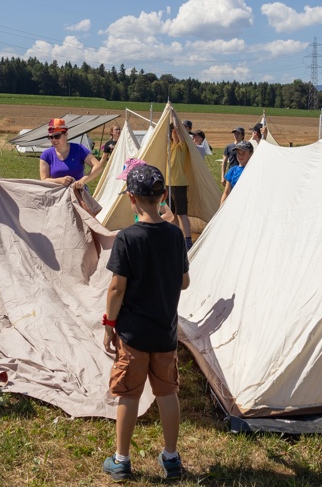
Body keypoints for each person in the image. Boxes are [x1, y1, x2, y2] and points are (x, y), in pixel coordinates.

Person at [101, 163, 190, 482]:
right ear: (163, 195)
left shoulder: (127, 238)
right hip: (165, 334)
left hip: (133, 335)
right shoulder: (176, 235)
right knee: (168, 394)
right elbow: (184, 282)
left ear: (131, 199)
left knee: (128, 394)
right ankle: (171, 458)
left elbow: (116, 288)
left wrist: (109, 323)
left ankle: (121, 460)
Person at [39, 118, 105, 190]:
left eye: (57, 136)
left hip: (78, 192)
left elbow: (98, 166)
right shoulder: (46, 155)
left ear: (66, 134)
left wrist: (82, 181)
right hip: (57, 193)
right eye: (50, 137)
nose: (54, 140)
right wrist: (59, 181)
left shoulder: (79, 149)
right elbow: (44, 180)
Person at [165, 124, 192, 248]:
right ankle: (177, 236)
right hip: (168, 183)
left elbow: (181, 135)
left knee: (182, 213)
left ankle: (188, 240)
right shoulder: (169, 146)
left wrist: (175, 122)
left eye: (174, 131)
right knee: (172, 213)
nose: (173, 133)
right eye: (172, 131)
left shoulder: (182, 146)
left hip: (179, 183)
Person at [220, 140, 253, 205]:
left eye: (243, 153)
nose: (240, 156)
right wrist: (221, 209)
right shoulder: (232, 171)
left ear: (251, 154)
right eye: (238, 153)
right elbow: (226, 192)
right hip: (235, 205)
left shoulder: (253, 169)